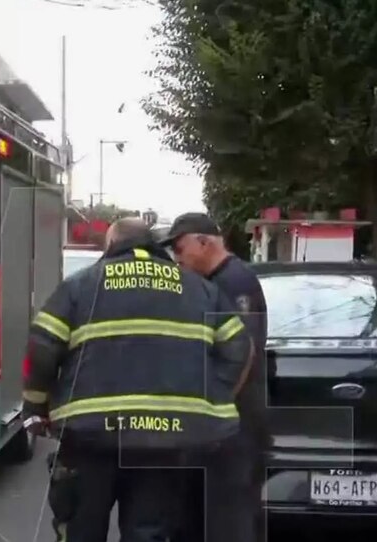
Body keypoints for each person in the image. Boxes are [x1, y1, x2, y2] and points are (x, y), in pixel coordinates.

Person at [23, 217, 254, 542]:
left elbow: (43, 347)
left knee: (81, 530)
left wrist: (34, 406)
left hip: (89, 438)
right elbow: (238, 347)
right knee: (149, 532)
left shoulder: (80, 286)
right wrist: (207, 397)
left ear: (112, 245)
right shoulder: (202, 290)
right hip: (163, 442)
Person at [160, 212, 271, 542]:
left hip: (235, 429)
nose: (177, 259)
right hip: (222, 428)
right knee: (204, 516)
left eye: (180, 250)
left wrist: (213, 411)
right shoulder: (216, 283)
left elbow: (243, 355)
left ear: (204, 242)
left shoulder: (234, 282)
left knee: (228, 522)